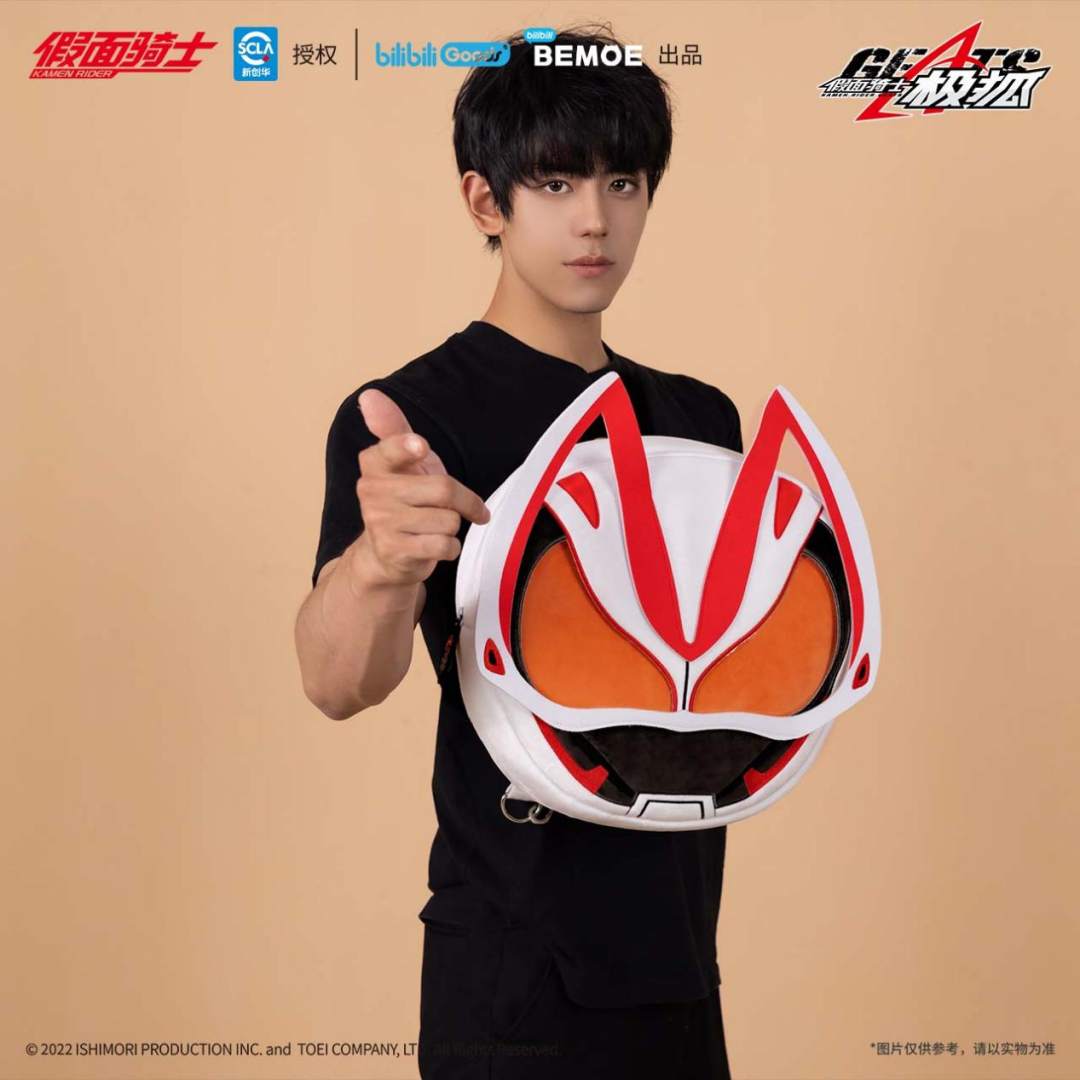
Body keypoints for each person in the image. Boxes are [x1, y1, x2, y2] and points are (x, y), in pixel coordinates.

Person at [294, 23, 742, 1079]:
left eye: (623, 182)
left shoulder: (700, 422)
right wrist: (379, 566)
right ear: (485, 201)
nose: (594, 220)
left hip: (680, 957)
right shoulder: (412, 419)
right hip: (510, 966)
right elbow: (335, 682)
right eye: (554, 183)